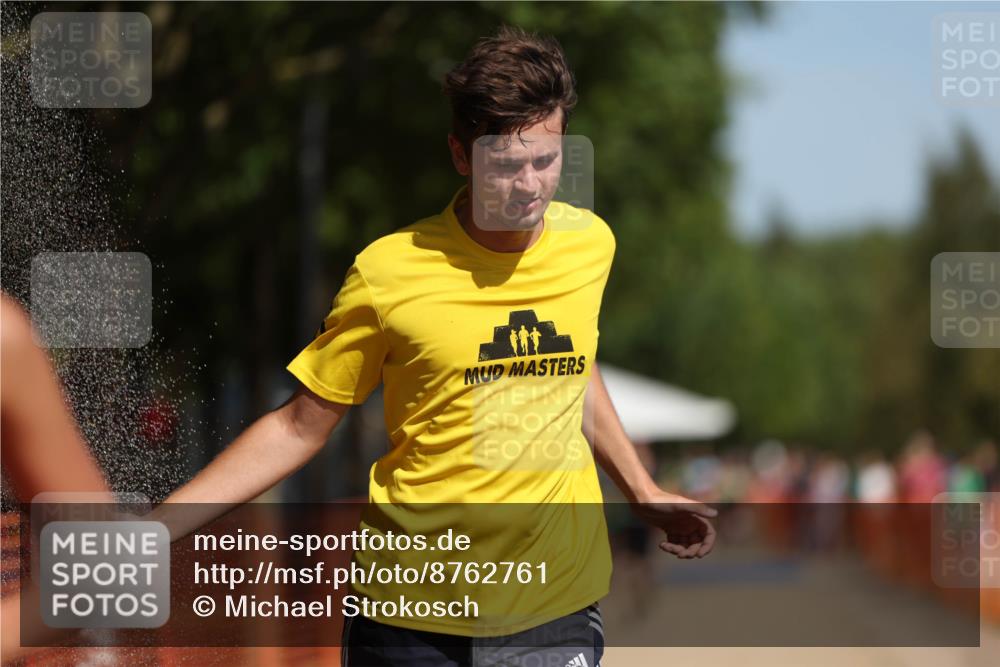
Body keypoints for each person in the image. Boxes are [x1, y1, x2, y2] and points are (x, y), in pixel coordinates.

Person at [159, 25, 716, 666]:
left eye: (548, 158)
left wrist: (640, 487)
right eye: (505, 164)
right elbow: (298, 427)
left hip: (552, 606)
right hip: (408, 618)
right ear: (460, 154)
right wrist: (159, 532)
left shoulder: (591, 245)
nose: (531, 184)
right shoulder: (389, 272)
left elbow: (572, 371)